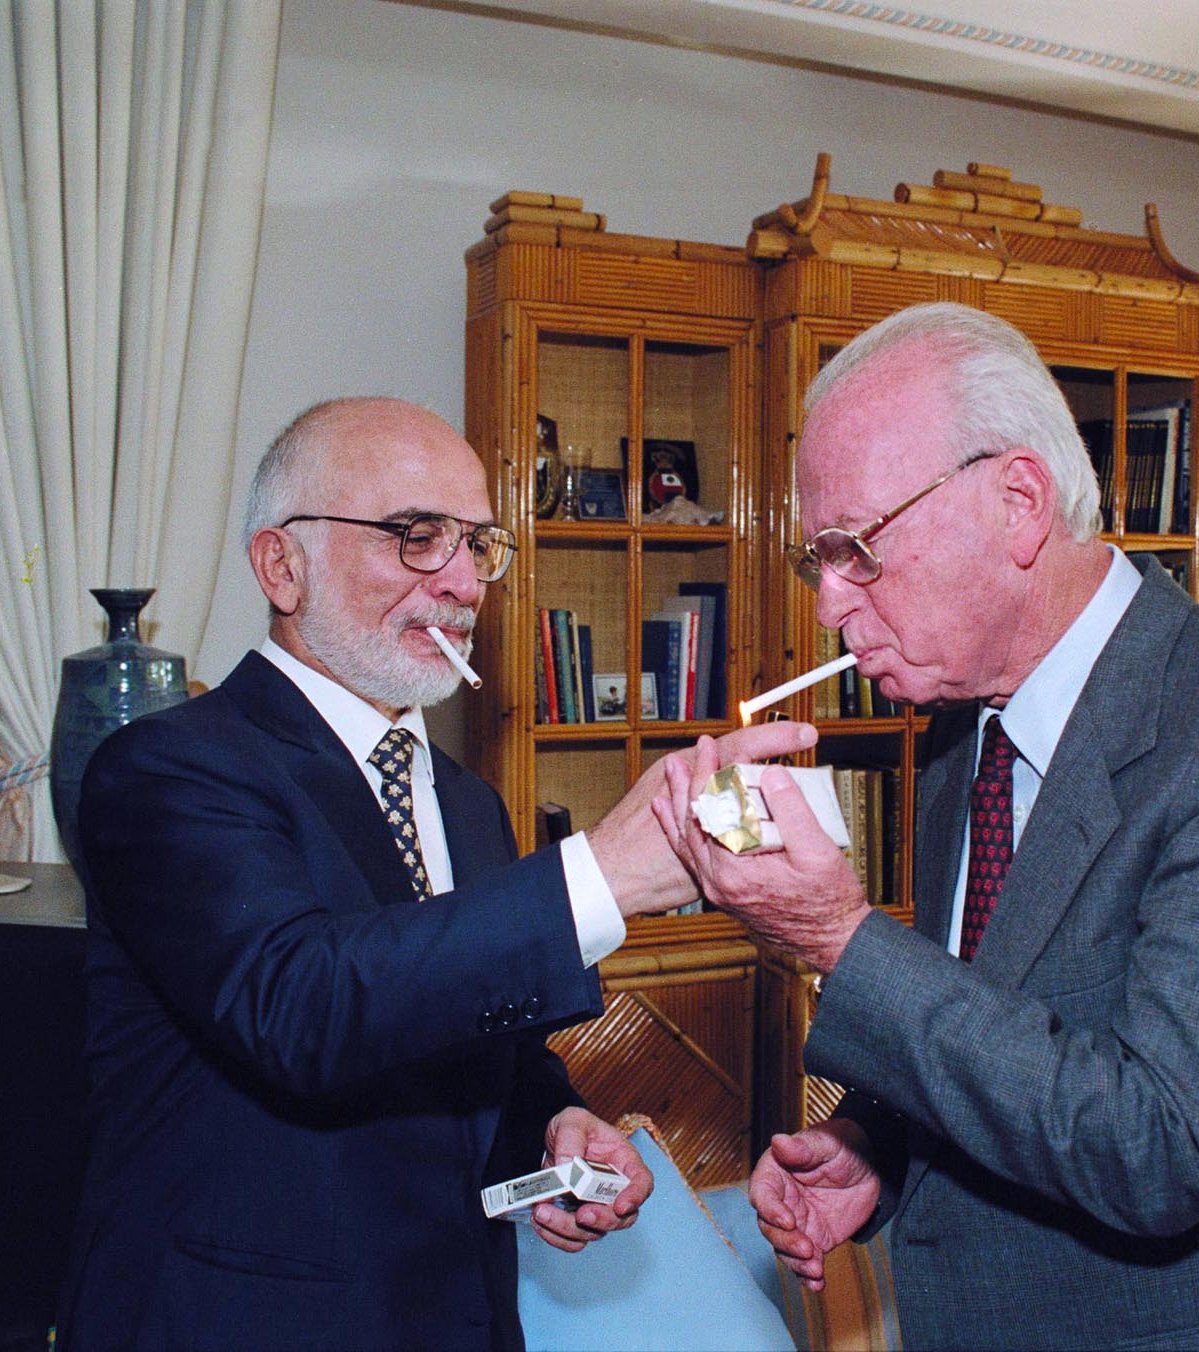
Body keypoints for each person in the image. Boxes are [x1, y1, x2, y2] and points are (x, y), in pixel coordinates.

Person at [655, 303, 1199, 1350]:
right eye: (817, 562)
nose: (827, 608)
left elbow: (1160, 1143)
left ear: (1015, 502)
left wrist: (839, 938)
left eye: (853, 550)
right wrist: (881, 1143)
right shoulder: (960, 735)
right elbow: (1016, 1021)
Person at [57, 397, 812, 1351]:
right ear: (280, 566)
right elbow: (304, 1003)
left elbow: (466, 1036)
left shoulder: (463, 802)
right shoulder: (166, 769)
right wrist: (597, 876)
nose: (459, 582)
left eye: (478, 544)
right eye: (417, 537)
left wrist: (555, 1125)